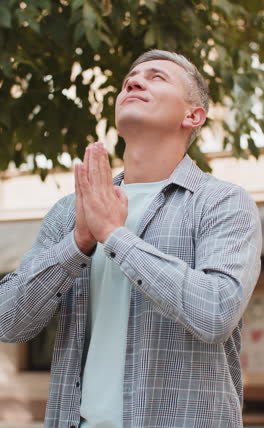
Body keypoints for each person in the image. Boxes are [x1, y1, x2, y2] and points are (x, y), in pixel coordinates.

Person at [0, 49, 262, 428]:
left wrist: (115, 236)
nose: (134, 82)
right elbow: (9, 321)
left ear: (193, 116)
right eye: (129, 80)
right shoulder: (71, 210)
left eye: (156, 77)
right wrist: (78, 243)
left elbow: (216, 311)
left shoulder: (222, 202)